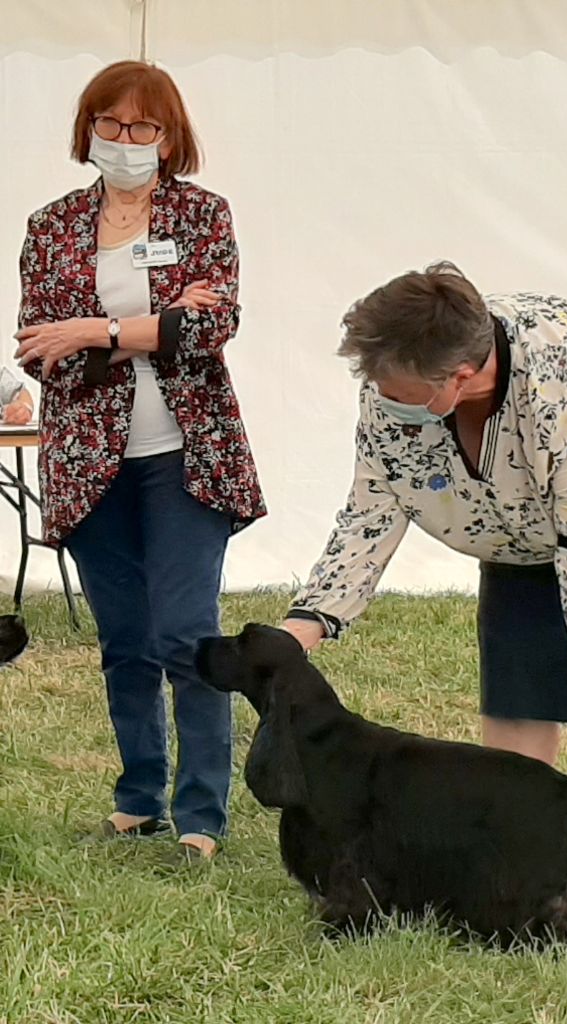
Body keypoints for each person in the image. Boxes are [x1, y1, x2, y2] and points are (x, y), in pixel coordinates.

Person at [280, 261, 567, 918]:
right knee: (519, 654)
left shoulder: (565, 391)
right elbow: (373, 506)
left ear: (458, 378)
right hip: (520, 500)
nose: (375, 392)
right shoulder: (398, 373)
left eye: (391, 385)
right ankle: (507, 844)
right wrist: (310, 621)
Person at [14, 61, 266, 861]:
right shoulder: (51, 225)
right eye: (111, 125)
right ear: (88, 128)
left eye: (143, 128)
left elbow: (210, 329)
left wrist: (95, 330)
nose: (125, 141)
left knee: (187, 634)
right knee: (123, 637)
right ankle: (138, 796)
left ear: (170, 137)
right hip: (89, 462)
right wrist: (155, 323)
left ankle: (202, 814)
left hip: (188, 458)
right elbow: (36, 350)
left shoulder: (202, 214)